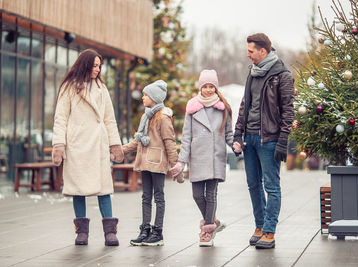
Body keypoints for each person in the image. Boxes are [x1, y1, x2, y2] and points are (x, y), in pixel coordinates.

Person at [52, 48, 124, 246]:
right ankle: (81, 233)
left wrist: (115, 144)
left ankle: (110, 232)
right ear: (85, 64)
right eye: (95, 66)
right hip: (78, 145)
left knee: (104, 189)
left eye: (99, 66)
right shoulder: (69, 87)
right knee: (78, 188)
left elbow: (110, 118)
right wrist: (59, 144)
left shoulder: (101, 88)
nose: (98, 70)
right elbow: (60, 118)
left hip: (98, 145)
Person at [232, 33, 294, 249]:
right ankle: (259, 226)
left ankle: (269, 231)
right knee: (252, 185)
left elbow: (288, 111)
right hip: (249, 138)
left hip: (269, 139)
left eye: (251, 51)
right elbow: (244, 105)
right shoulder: (252, 72)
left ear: (263, 51)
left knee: (271, 186)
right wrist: (237, 134)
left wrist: (283, 141)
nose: (248, 55)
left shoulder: (282, 75)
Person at [170, 69, 232, 247]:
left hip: (215, 157)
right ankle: (213, 220)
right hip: (197, 157)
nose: (208, 90)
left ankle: (207, 232)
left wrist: (236, 146)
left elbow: (228, 134)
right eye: (205, 86)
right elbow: (186, 136)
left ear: (216, 87)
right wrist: (182, 161)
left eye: (212, 86)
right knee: (197, 195)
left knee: (211, 194)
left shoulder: (223, 108)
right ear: (200, 87)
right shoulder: (192, 108)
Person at [123, 80, 184, 247]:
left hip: (157, 163)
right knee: (145, 197)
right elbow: (138, 140)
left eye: (146, 95)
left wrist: (175, 166)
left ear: (155, 98)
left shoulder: (164, 117)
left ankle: (158, 232)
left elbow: (169, 142)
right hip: (144, 163)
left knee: (159, 197)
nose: (143, 98)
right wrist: (122, 150)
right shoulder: (146, 116)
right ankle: (145, 230)